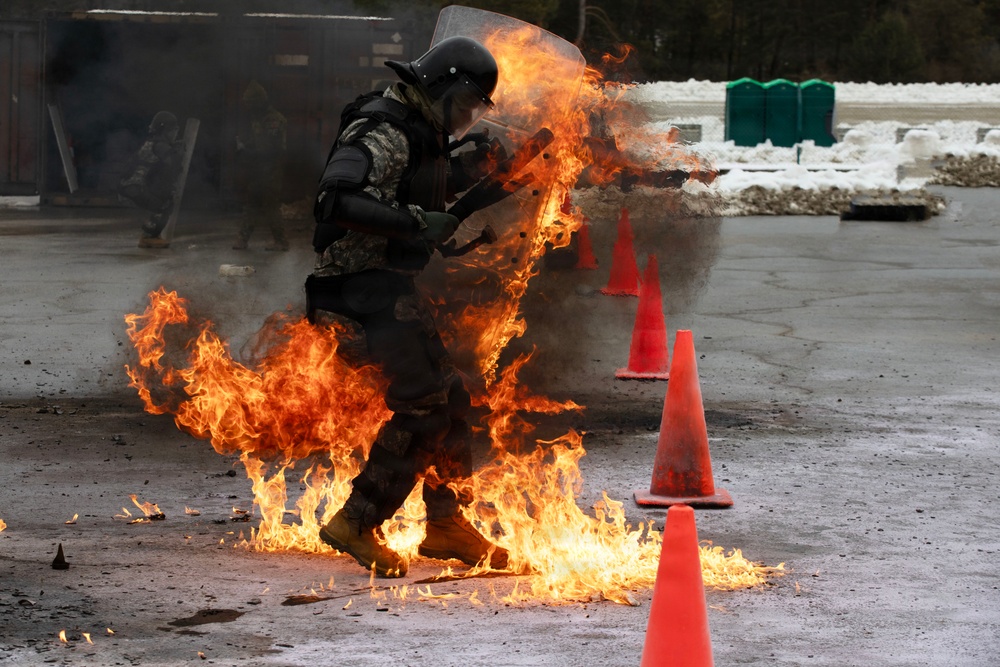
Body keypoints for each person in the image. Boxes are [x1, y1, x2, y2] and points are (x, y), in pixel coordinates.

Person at [306, 36, 510, 578]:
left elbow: (417, 188)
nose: (465, 119)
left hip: (388, 291)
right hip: (354, 293)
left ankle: (445, 524)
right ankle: (356, 521)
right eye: (463, 104)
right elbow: (334, 198)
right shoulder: (383, 129)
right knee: (424, 408)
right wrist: (418, 223)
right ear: (438, 88)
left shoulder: (422, 132)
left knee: (453, 400)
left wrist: (476, 172)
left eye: (475, 110)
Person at [234, 80, 288, 251]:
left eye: (250, 103)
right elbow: (257, 141)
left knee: (270, 205)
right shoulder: (257, 118)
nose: (248, 107)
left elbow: (270, 148)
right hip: (258, 169)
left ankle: (281, 241)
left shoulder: (274, 120)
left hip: (271, 169)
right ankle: (243, 239)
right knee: (251, 204)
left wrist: (246, 150)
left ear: (258, 101)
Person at [118, 111, 184, 249]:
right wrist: (179, 151)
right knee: (166, 202)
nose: (175, 133)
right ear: (164, 131)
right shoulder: (160, 146)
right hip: (135, 188)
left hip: (131, 186)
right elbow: (174, 165)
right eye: (173, 130)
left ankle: (150, 235)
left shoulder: (153, 143)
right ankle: (149, 237)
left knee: (163, 197)